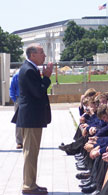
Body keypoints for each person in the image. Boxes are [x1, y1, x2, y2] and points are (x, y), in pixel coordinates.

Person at [11, 44, 53, 194]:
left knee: (32, 152)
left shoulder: (30, 68)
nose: (44, 56)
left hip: (32, 117)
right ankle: (28, 186)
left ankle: (31, 183)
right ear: (32, 55)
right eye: (41, 52)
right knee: (30, 152)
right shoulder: (28, 70)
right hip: (31, 117)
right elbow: (38, 92)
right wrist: (46, 77)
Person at [9, 71, 23, 149]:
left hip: (28, 99)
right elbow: (11, 88)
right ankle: (19, 142)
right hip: (19, 99)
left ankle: (27, 140)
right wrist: (15, 100)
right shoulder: (16, 76)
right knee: (18, 121)